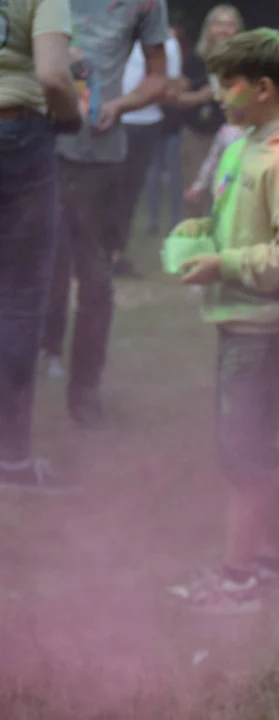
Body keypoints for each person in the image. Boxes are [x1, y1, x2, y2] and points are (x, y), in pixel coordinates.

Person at [165, 29, 279, 613]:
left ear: (264, 87)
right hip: (241, 322)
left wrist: (225, 262)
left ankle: (241, 578)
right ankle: (266, 567)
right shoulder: (246, 142)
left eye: (228, 83)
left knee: (247, 453)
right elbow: (246, 227)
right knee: (249, 449)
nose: (218, 94)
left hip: (269, 332)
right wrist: (204, 237)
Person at [51, 0, 168, 428]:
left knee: (96, 281)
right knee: (27, 280)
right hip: (32, 148)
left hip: (97, 157)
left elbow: (158, 77)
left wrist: (120, 105)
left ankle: (84, 393)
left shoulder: (146, 4)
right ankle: (17, 393)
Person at [0, 0, 82, 491]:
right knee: (20, 299)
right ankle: (10, 458)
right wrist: (69, 119)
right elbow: (53, 77)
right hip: (17, 137)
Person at [110, 28, 184, 277]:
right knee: (102, 188)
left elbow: (171, 86)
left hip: (144, 123)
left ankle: (115, 252)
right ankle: (95, 252)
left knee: (128, 191)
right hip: (105, 119)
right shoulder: (106, 31)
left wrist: (162, 90)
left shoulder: (166, 42)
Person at [175, 5, 243, 140]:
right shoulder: (196, 59)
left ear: (238, 30)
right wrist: (201, 96)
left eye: (230, 25)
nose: (224, 30)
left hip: (235, 133)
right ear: (209, 28)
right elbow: (177, 98)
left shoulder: (246, 60)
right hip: (197, 133)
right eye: (219, 24)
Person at [146, 23, 190, 237]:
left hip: (172, 127)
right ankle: (153, 221)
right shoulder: (150, 63)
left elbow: (175, 91)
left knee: (174, 176)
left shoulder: (182, 67)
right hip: (154, 126)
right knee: (152, 175)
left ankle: (174, 220)